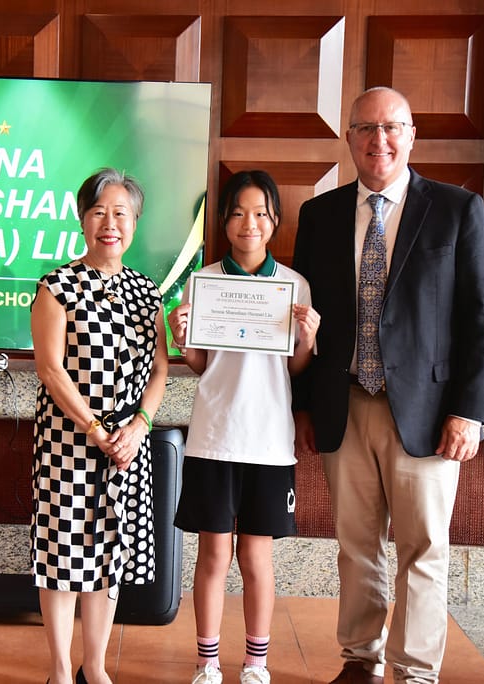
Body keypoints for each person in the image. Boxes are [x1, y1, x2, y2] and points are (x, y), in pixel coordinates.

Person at [291, 87, 484, 684]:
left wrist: (469, 411)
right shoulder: (320, 215)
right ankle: (360, 659)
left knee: (423, 548)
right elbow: (302, 316)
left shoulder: (458, 210)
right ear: (349, 138)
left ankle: (414, 671)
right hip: (344, 405)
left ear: (411, 136)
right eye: (365, 128)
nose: (378, 140)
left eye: (391, 127)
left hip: (429, 413)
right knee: (355, 545)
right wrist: (303, 407)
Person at [168, 170, 321, 684]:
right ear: (224, 221)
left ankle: (256, 663)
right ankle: (207, 662)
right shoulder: (204, 282)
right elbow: (200, 364)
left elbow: (295, 369)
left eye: (260, 213)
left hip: (270, 442)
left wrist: (307, 337)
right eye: (238, 213)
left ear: (274, 220)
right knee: (213, 554)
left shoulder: (294, 285)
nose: (248, 223)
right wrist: (182, 339)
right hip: (214, 436)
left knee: (256, 556)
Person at [30, 167, 169, 684]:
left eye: (120, 214)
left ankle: (95, 666)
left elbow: (159, 370)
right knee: (63, 554)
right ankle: (60, 670)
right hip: (68, 441)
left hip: (128, 445)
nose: (110, 224)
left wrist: (140, 425)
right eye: (98, 212)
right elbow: (50, 369)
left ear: (134, 222)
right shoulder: (57, 286)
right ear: (82, 219)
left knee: (109, 555)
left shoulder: (147, 292)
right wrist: (93, 428)